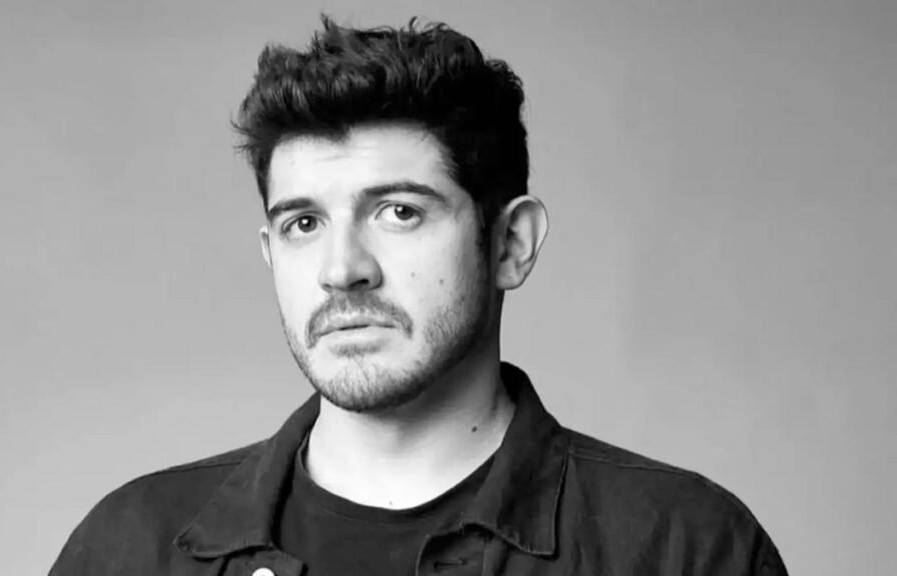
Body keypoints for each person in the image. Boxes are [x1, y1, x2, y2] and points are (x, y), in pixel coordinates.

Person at [49, 16, 788, 576]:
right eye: (304, 223)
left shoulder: (684, 548)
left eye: (398, 212)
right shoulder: (130, 548)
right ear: (270, 251)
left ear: (511, 244)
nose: (342, 269)